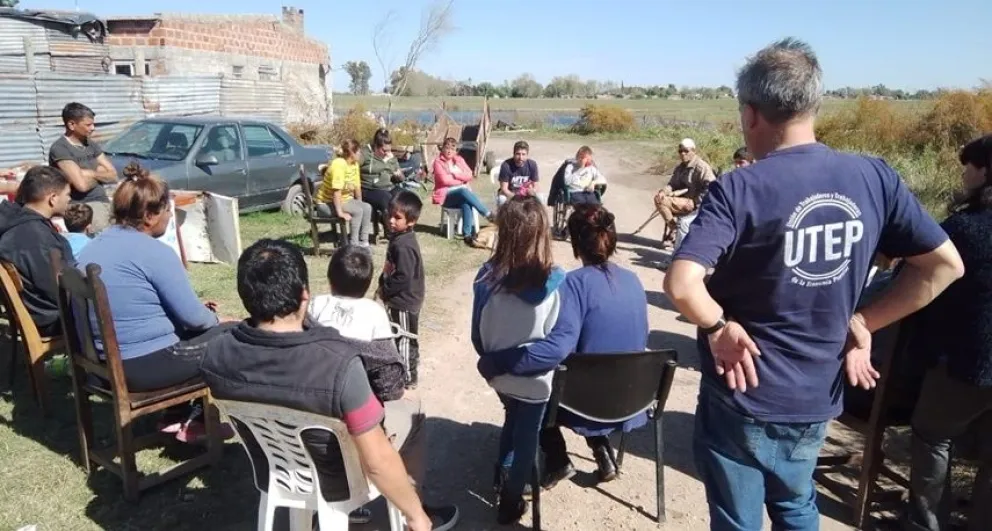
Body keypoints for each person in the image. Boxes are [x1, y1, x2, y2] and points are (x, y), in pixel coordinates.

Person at [662, 38, 964, 531]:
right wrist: (865, 319)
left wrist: (718, 327)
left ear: (751, 114)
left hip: (742, 394)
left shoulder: (739, 187)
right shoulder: (874, 176)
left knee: (738, 519)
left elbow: (681, 283)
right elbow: (944, 266)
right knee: (797, 504)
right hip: (817, 395)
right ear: (811, 105)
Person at [199, 239, 458, 531]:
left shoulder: (215, 356)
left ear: (245, 294)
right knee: (413, 413)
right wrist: (416, 517)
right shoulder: (338, 364)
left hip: (277, 471)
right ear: (304, 294)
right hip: (341, 477)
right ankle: (416, 503)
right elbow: (376, 461)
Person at [477, 204, 649, 488]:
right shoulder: (634, 280)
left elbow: (554, 349)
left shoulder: (573, 284)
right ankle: (601, 448)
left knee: (541, 384)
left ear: (574, 242)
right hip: (631, 397)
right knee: (594, 362)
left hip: (588, 401)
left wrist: (499, 361)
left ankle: (557, 460)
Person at [78, 162, 235, 440]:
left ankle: (176, 415)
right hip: (143, 367)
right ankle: (197, 420)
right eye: (167, 211)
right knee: (234, 335)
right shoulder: (154, 252)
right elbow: (194, 318)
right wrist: (217, 321)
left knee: (206, 332)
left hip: (101, 366)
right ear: (150, 215)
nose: (168, 217)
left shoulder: (92, 249)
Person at [903, 135, 992, 531]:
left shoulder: (964, 229)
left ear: (986, 172)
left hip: (968, 363)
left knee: (931, 435)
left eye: (969, 164)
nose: (963, 171)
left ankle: (926, 525)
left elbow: (918, 281)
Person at [471, 195, 565, 525]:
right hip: (537, 380)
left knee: (512, 412)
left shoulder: (486, 277)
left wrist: (494, 359)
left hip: (498, 372)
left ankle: (501, 470)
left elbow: (476, 336)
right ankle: (511, 499)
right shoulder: (558, 281)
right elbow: (559, 337)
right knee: (528, 438)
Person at [0, 166, 74, 336]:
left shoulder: (14, 222)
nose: (70, 199)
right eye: (68, 195)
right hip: (51, 319)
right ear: (53, 199)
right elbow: (58, 291)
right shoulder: (36, 239)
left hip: (37, 311)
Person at [378, 191, 426, 389]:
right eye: (390, 214)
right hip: (397, 298)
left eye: (397, 218)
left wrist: (385, 290)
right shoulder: (398, 238)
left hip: (404, 300)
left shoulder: (404, 245)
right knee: (400, 334)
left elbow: (403, 277)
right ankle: (407, 365)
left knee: (404, 337)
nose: (391, 220)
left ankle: (408, 376)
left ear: (411, 221)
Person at [48, 102, 118, 232]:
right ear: (71, 125)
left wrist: (90, 173)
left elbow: (113, 175)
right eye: (88, 125)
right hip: (82, 208)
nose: (92, 128)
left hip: (104, 201)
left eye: (93, 124)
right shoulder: (60, 149)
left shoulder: (91, 144)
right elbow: (81, 185)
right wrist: (100, 173)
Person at [310, 245, 394, 343]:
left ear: (330, 280)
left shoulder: (317, 304)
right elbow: (385, 351)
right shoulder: (375, 311)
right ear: (368, 283)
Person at [432, 137, 495, 248]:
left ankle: (467, 235)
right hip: (447, 196)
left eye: (452, 148)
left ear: (456, 150)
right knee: (463, 190)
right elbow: (444, 180)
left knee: (466, 202)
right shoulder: (438, 162)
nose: (449, 151)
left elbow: (469, 174)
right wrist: (462, 181)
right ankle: (487, 214)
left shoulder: (459, 160)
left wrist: (455, 175)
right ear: (442, 149)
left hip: (460, 194)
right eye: (446, 147)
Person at [653, 138, 716, 249]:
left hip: (698, 204)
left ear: (693, 151)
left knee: (665, 202)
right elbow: (672, 184)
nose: (682, 153)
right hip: (683, 201)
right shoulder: (680, 167)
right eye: (680, 151)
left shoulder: (701, 167)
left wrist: (696, 202)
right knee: (659, 199)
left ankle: (675, 233)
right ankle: (675, 229)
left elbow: (712, 187)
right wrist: (663, 192)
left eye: (686, 151)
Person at [316, 139, 373, 246]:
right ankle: (353, 244)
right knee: (357, 211)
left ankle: (364, 242)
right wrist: (340, 213)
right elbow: (336, 192)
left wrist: (359, 202)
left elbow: (357, 186)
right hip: (326, 203)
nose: (360, 154)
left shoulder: (354, 164)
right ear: (351, 153)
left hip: (344, 200)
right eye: (358, 152)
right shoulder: (338, 165)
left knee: (367, 207)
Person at [360, 128, 405, 238]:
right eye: (384, 150)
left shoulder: (390, 157)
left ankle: (402, 227)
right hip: (369, 189)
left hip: (389, 186)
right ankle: (391, 231)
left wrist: (398, 175)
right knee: (387, 199)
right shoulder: (365, 154)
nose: (387, 153)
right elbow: (351, 164)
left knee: (405, 197)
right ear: (376, 145)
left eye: (389, 150)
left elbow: (400, 178)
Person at [497, 140, 541, 207]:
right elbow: (504, 189)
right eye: (518, 154)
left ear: (527, 155)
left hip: (526, 194)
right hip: (510, 194)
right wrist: (516, 198)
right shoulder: (506, 165)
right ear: (513, 154)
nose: (520, 158)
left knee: (540, 197)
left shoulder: (532, 164)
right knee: (501, 199)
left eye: (523, 154)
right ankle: (500, 217)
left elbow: (536, 185)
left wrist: (532, 191)